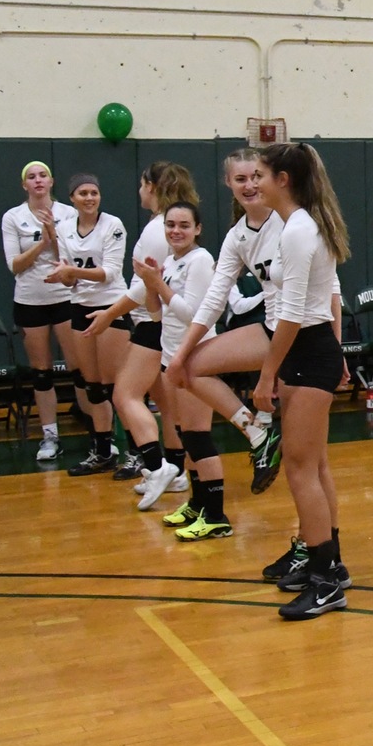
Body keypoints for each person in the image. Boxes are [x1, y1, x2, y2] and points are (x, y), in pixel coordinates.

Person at [162, 149, 288, 539]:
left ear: (269, 178)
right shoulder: (237, 236)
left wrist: (334, 345)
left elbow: (329, 287)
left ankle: (316, 550)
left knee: (307, 463)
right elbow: (215, 299)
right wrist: (180, 357)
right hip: (271, 328)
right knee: (191, 367)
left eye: (255, 176)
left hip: (302, 332)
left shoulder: (289, 224)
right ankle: (256, 433)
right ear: (229, 185)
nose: (249, 185)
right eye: (240, 179)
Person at [253, 143, 354, 620]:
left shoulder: (298, 230)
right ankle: (329, 564)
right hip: (307, 353)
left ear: (283, 180)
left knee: (299, 469)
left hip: (307, 353)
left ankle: (325, 580)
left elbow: (292, 314)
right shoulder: (301, 225)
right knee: (313, 465)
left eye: (261, 175)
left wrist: (265, 374)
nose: (254, 184)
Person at [83, 162, 199, 504]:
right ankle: (176, 472)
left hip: (154, 322)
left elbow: (140, 289)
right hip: (164, 320)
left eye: (141, 184)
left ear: (151, 186)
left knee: (124, 395)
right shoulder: (166, 224)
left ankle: (154, 464)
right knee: (166, 401)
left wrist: (108, 315)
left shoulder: (156, 230)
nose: (139, 191)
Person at [133, 202, 227, 527]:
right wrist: (150, 284)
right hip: (171, 356)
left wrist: (158, 284)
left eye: (184, 225)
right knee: (183, 434)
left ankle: (215, 514)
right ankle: (197, 503)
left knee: (198, 436)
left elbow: (194, 315)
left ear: (197, 229)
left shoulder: (200, 261)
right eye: (171, 224)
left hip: (195, 357)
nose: (176, 231)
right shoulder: (172, 262)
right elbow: (157, 314)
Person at [51, 174, 130, 475]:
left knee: (115, 387)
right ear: (71, 198)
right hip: (79, 306)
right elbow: (70, 277)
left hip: (111, 305)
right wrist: (63, 274)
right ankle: (103, 452)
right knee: (92, 387)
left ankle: (135, 452)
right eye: (82, 193)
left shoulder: (113, 225)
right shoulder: (64, 229)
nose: (89, 198)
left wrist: (72, 271)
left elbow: (109, 272)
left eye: (94, 192)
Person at [2, 162, 77, 463]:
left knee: (80, 369)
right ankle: (49, 435)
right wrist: (42, 242)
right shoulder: (13, 217)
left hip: (65, 298)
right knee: (42, 372)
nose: (37, 181)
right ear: (24, 185)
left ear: (51, 181)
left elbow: (71, 258)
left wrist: (54, 236)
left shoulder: (68, 214)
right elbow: (15, 265)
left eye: (42, 176)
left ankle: (100, 436)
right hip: (30, 300)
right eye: (31, 177)